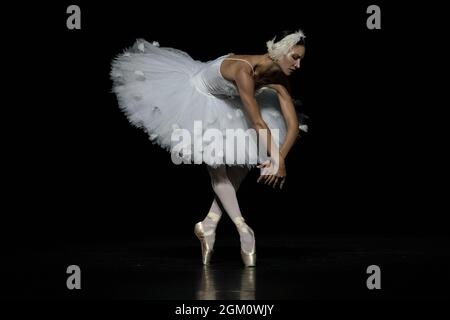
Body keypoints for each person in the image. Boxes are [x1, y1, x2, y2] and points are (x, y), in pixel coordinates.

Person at [111, 30, 306, 267]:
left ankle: (209, 224)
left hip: (228, 101)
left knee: (242, 164)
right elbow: (257, 122)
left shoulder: (280, 80)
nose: (298, 64)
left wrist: (280, 159)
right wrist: (278, 161)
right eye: (294, 57)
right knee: (219, 168)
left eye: (300, 59)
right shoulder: (243, 70)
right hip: (198, 97)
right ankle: (243, 228)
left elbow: (293, 125)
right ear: (278, 53)